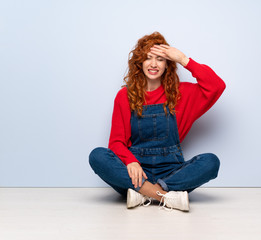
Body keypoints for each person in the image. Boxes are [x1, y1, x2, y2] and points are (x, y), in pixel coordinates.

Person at [88, 31, 226, 212]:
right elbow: (116, 142)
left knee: (211, 162)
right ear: (140, 63)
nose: (153, 64)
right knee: (97, 156)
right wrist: (131, 161)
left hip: (172, 173)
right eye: (148, 58)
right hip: (135, 174)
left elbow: (217, 86)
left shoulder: (181, 94)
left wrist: (183, 59)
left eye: (160, 59)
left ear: (168, 64)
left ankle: (143, 194)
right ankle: (164, 196)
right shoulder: (124, 96)